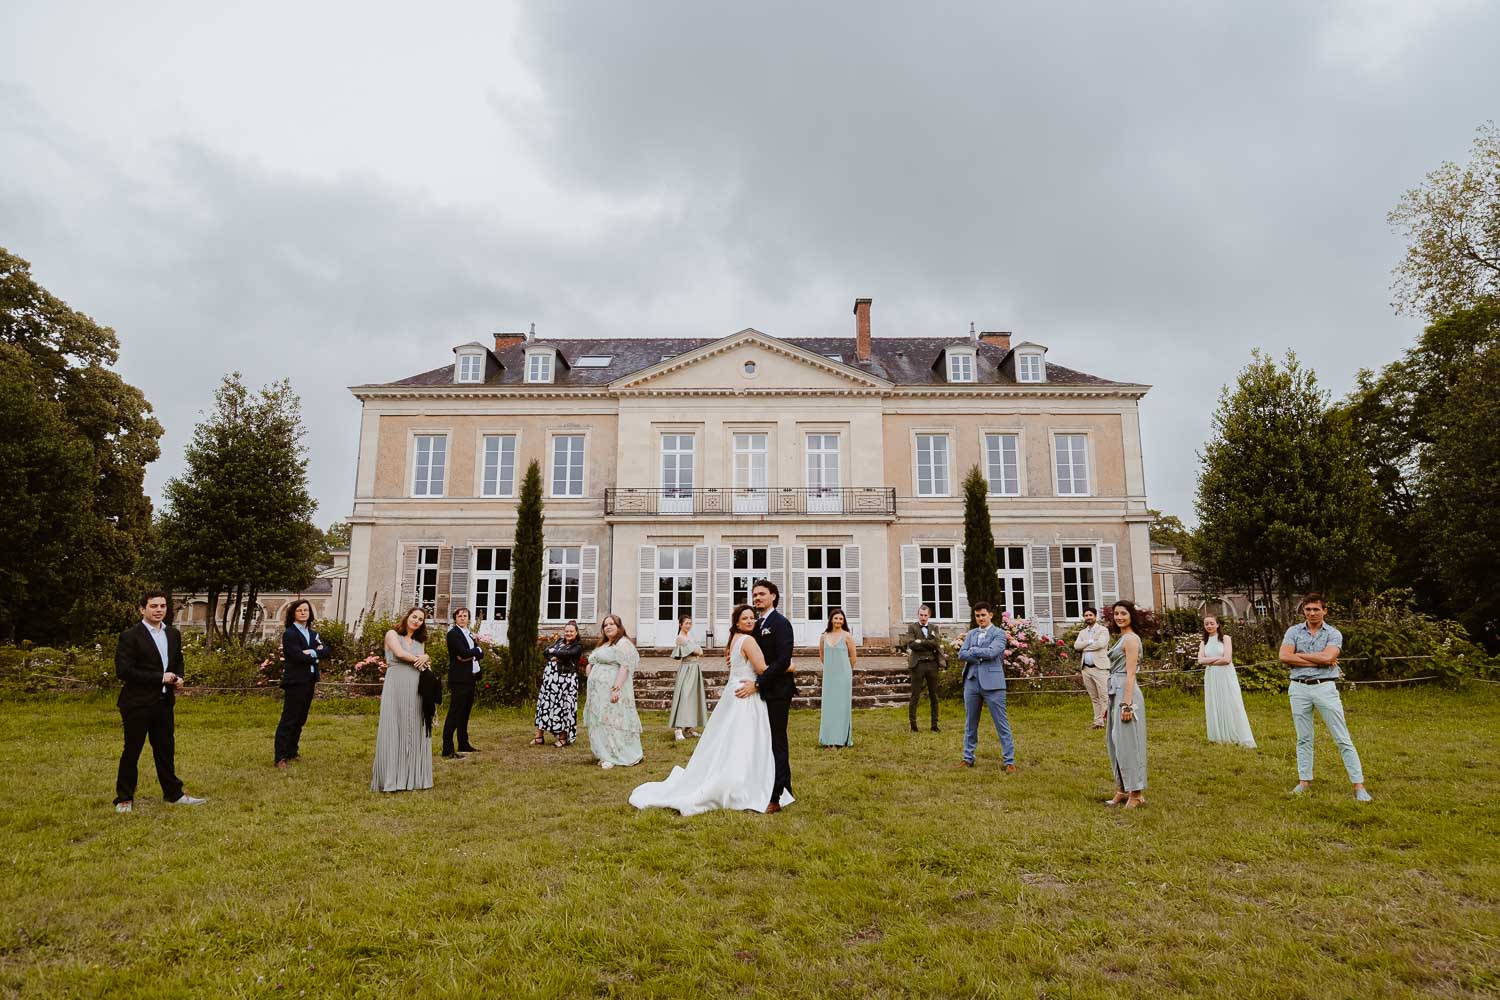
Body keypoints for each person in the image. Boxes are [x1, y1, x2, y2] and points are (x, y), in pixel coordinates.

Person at [629, 605, 795, 815]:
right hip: (747, 693)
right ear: (737, 622)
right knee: (746, 740)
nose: (750, 621)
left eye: (752, 617)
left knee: (728, 738)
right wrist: (789, 666)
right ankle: (741, 781)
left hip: (733, 691)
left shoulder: (733, 641)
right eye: (745, 618)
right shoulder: (749, 640)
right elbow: (762, 669)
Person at [113, 591, 206, 812]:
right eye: (154, 606)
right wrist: (159, 678)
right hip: (136, 703)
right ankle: (125, 798)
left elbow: (177, 661)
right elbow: (123, 671)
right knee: (132, 750)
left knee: (165, 749)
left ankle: (173, 794)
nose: (159, 610)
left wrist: (179, 676)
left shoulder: (173, 634)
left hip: (164, 702)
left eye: (162, 606)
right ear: (142, 609)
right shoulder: (130, 636)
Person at [1280, 593, 1371, 801]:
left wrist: (1301, 657)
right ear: (1303, 611)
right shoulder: (1293, 631)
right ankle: (1304, 781)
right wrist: (1318, 661)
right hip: (1299, 688)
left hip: (1325, 688)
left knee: (1342, 737)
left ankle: (1358, 785)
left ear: (1324, 611)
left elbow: (1329, 656)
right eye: (1308, 609)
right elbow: (1284, 656)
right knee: (1303, 737)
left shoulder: (1333, 633)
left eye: (1316, 609)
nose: (1312, 613)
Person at [734, 579, 796, 813]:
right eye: (754, 595)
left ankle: (776, 796)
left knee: (778, 741)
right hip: (759, 693)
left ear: (773, 596)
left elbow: (782, 661)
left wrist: (758, 683)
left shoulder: (781, 624)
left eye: (761, 594)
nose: (757, 598)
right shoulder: (756, 624)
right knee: (765, 741)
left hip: (778, 691)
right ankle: (783, 787)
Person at [371, 607, 434, 793]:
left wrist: (426, 656)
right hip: (396, 682)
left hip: (415, 684)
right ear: (407, 617)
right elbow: (399, 654)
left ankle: (412, 777)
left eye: (421, 619)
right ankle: (391, 777)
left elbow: (424, 663)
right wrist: (423, 657)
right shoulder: (392, 634)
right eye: (414, 617)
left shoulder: (418, 641)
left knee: (413, 726)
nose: (416, 621)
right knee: (394, 725)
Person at [956, 602, 1017, 772]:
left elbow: (992, 652)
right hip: (971, 681)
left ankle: (1009, 760)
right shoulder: (971, 633)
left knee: (1001, 723)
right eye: (977, 616)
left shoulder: (999, 634)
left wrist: (973, 651)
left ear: (990, 615)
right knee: (970, 723)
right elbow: (962, 654)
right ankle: (968, 758)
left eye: (983, 615)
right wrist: (979, 652)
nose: (980, 618)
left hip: (993, 684)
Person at [1103, 600, 1147, 809]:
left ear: (1131, 616)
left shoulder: (1131, 639)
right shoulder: (1121, 638)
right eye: (1116, 614)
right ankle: (1122, 788)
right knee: (1115, 743)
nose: (1119, 617)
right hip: (1115, 692)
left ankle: (1136, 792)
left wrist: (1126, 704)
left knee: (1129, 743)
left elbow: (1130, 673)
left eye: (1123, 613)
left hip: (1126, 693)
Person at [584, 614, 643, 768]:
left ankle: (616, 755)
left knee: (612, 722)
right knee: (599, 722)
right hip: (597, 693)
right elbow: (592, 661)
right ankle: (604, 753)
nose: (608, 627)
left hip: (612, 690)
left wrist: (615, 689)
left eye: (611, 624)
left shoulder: (623, 644)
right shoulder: (603, 644)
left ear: (619, 626)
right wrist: (591, 672)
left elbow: (625, 667)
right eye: (605, 625)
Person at [275, 599, 328, 768]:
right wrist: (315, 653)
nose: (304, 613)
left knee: (300, 719)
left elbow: (326, 651)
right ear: (293, 614)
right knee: (289, 719)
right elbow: (296, 655)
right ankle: (280, 757)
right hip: (295, 681)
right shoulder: (290, 634)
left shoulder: (313, 634)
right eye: (300, 610)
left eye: (306, 610)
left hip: (309, 680)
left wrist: (311, 651)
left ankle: (292, 752)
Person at [1199, 614, 1256, 748]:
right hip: (1211, 676)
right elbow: (1200, 660)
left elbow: (1227, 659)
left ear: (1217, 624)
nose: (1209, 626)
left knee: (1232, 701)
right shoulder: (1203, 642)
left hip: (1225, 674)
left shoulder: (1225, 639)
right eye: (1206, 624)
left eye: (1212, 623)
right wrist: (1215, 660)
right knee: (1215, 702)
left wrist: (1209, 661)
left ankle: (1238, 734)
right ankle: (1219, 735)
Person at [442, 607, 484, 758]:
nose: (462, 618)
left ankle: (463, 743)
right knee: (455, 712)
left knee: (465, 712)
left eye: (465, 616)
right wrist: (475, 652)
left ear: (469, 618)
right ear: (455, 619)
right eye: (459, 616)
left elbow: (480, 653)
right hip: (459, 678)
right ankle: (447, 749)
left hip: (470, 676)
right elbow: (462, 653)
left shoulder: (468, 633)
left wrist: (475, 653)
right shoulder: (453, 634)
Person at [535, 622, 584, 747]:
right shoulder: (559, 641)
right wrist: (554, 653)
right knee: (545, 705)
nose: (568, 633)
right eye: (566, 631)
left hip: (566, 681)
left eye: (571, 631)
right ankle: (538, 737)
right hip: (551, 680)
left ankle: (562, 738)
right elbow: (546, 652)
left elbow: (568, 655)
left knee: (562, 707)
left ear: (576, 633)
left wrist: (556, 653)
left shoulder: (578, 646)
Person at [818, 607, 855, 747]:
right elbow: (822, 656)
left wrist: (845, 670)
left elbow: (853, 657)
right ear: (831, 620)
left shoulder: (847, 636)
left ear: (843, 621)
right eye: (836, 618)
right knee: (829, 707)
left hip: (844, 675)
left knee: (842, 707)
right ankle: (828, 739)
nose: (838, 621)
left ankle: (840, 739)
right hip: (829, 676)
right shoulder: (824, 636)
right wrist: (831, 668)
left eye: (841, 618)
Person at [666, 615, 707, 740]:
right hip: (687, 669)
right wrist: (697, 649)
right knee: (683, 696)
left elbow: (701, 652)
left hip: (695, 668)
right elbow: (697, 651)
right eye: (686, 623)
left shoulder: (690, 637)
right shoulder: (681, 638)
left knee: (693, 697)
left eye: (690, 623)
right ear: (680, 625)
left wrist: (698, 650)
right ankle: (678, 729)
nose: (689, 625)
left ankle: (689, 728)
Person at [903, 604, 942, 733]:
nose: (923, 617)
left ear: (929, 615)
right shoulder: (912, 627)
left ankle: (934, 725)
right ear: (918, 615)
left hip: (932, 664)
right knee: (915, 695)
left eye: (926, 615)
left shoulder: (934, 627)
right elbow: (911, 644)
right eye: (921, 615)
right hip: (917, 664)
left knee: (934, 695)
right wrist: (927, 643)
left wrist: (921, 642)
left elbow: (936, 643)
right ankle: (913, 726)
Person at [1074, 606, 1112, 730]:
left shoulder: (1103, 630)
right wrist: (1090, 641)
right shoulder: (1082, 632)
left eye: (1090, 615)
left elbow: (1101, 644)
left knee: (1104, 695)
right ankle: (1098, 722)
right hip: (1086, 668)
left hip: (1100, 668)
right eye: (1086, 615)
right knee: (1094, 697)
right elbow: (1076, 646)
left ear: (1095, 617)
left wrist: (1084, 646)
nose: (1088, 617)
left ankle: (1108, 720)